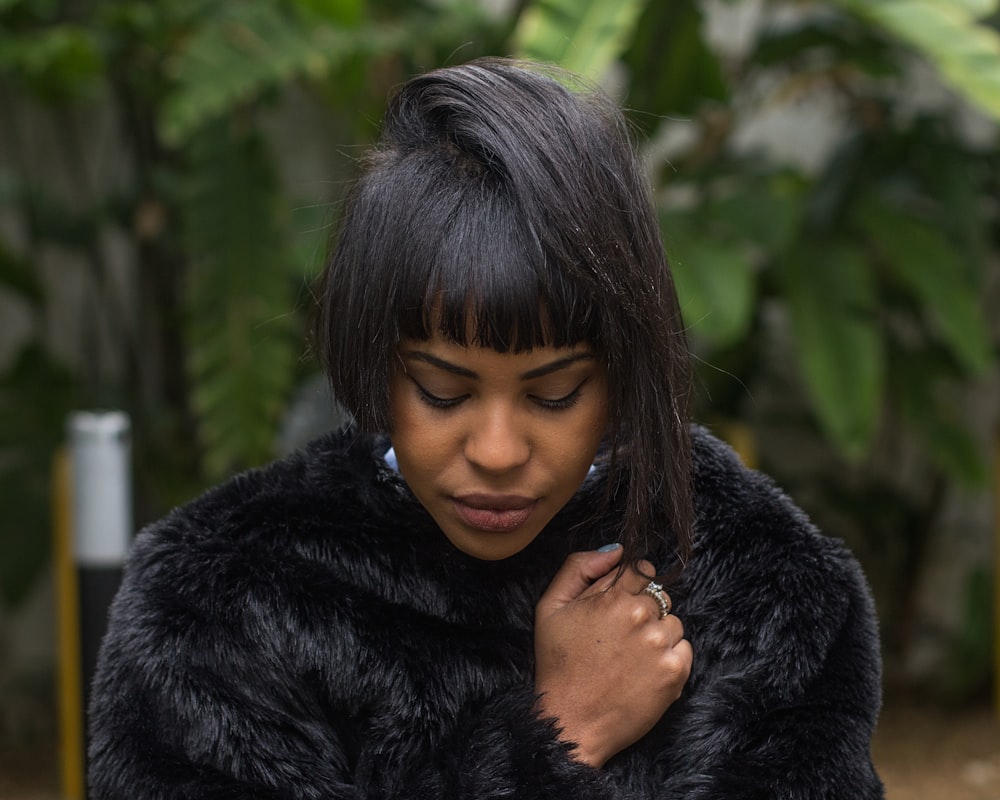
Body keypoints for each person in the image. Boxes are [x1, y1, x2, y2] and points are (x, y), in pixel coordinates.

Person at [88, 58, 884, 798]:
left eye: (555, 394)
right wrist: (559, 732)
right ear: (374, 364)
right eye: (441, 392)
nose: (497, 453)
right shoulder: (215, 610)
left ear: (622, 373)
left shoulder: (771, 591)